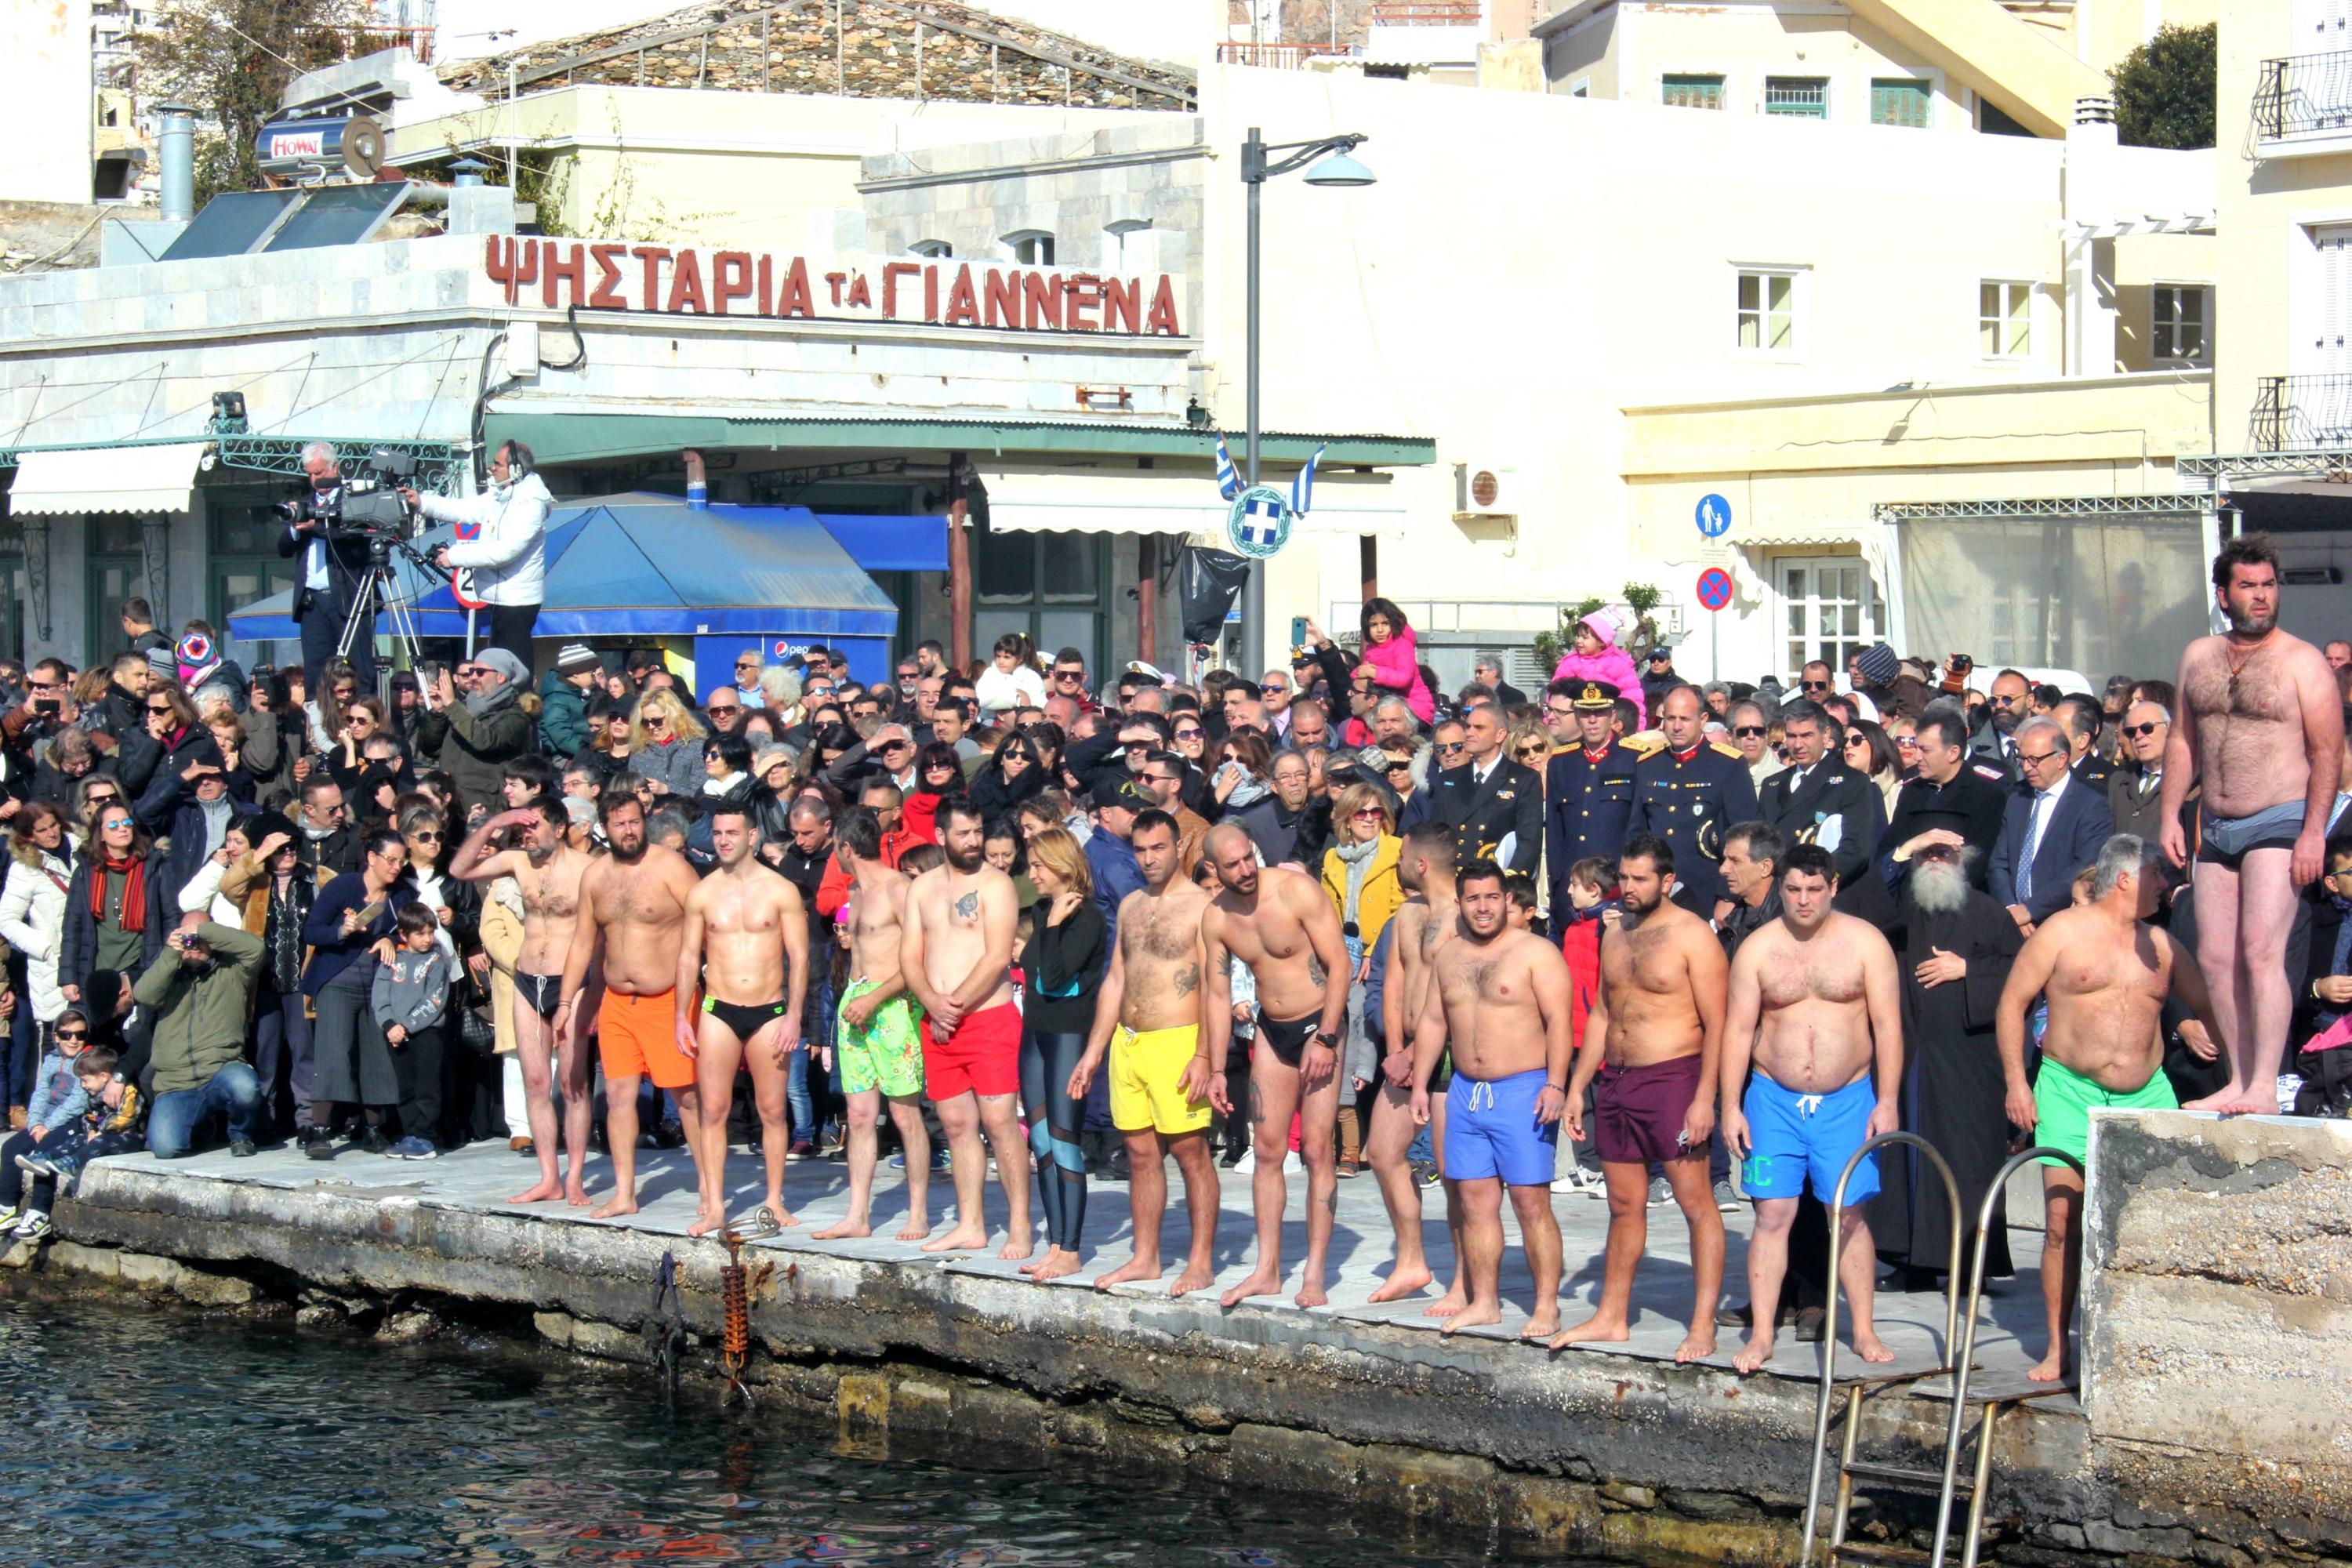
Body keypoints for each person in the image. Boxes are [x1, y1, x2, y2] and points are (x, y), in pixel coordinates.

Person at [1999, 834, 2222, 1382]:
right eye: (2157, 875)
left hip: (2145, 1092)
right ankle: (2058, 1347)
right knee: (2061, 1221)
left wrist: (2230, 1063)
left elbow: (2213, 1005)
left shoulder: (2163, 946)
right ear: (2125, 879)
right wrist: (2017, 1084)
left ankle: (2144, 1344)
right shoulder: (2061, 932)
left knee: (2151, 1225)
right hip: (2068, 1089)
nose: (2166, 885)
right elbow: (2012, 1003)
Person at [2162, 534, 2343, 1113]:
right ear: (2224, 594)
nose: (2262, 595)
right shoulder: (2199, 656)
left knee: (2262, 950)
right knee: (2216, 959)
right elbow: (2183, 739)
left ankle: (2266, 1081)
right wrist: (2170, 814)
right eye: (2249, 586)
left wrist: (2313, 831)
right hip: (2216, 823)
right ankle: (2238, 1080)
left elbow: (2327, 750)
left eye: (2268, 585)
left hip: (2280, 818)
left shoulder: (2301, 662)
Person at [1719, 844, 1903, 1375]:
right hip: (1772, 1098)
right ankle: (1762, 1333)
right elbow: (1738, 1031)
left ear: (1834, 887)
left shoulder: (1866, 943)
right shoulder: (1758, 948)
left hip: (1847, 1099)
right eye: (1794, 890)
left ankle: (1863, 1329)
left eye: (1815, 890)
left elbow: (1888, 1026)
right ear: (1780, 889)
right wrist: (1730, 1106)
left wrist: (1888, 1101)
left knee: (1847, 1214)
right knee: (1771, 1214)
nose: (1804, 900)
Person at [1555, 836, 1726, 1360]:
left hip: (1674, 1078)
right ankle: (1612, 1316)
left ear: (1667, 881)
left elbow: (1720, 1024)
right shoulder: (1615, 933)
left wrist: (1705, 1098)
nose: (1627, 888)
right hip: (1617, 1080)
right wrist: (1578, 1087)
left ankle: (1703, 1324)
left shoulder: (1693, 936)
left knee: (1695, 1202)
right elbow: (1603, 1014)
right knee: (1623, 1204)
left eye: (1639, 879)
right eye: (1624, 878)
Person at [1406, 858, 1573, 1336]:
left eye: (1492, 898)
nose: (1483, 907)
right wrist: (1420, 1085)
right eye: (1474, 898)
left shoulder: (1536, 952)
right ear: (1460, 903)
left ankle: (1546, 1306)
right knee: (1474, 1202)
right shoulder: (1449, 956)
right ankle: (1484, 1301)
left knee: (1530, 1202)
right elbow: (1433, 1022)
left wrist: (1556, 1084)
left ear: (1507, 900)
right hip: (1465, 1092)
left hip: (1523, 1090)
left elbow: (1560, 1021)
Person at [1069, 809, 1223, 1295]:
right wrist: (1094, 1050)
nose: (1149, 858)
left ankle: (1200, 1261)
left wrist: (1204, 1056)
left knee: (1190, 1152)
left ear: (1178, 847)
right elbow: (1117, 979)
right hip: (1129, 1042)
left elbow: (1213, 988)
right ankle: (1146, 1257)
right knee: (1138, 1154)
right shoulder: (1132, 905)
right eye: (1140, 849)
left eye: (1158, 848)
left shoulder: (1203, 906)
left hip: (1178, 1041)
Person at [1202, 822, 1352, 1308]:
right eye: (1233, 865)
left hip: (1320, 1021)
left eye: (1248, 857)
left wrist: (1326, 1037)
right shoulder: (1217, 918)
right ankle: (1267, 1269)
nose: (1246, 870)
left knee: (1317, 1149)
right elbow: (1217, 994)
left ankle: (1314, 1272)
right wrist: (1217, 1067)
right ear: (1213, 869)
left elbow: (1340, 964)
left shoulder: (1295, 891)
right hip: (1271, 1028)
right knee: (1267, 1151)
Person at [1867, 837, 2024, 1287]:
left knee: (1968, 1163)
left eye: (1944, 853)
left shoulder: (1990, 913)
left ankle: (1970, 1267)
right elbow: (1860, 910)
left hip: (1971, 1063)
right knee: (1909, 1158)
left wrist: (1970, 971)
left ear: (1962, 860)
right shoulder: (1904, 911)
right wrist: (1901, 851)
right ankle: (1911, 1264)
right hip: (1914, 1057)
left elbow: (2023, 978)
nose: (1935, 861)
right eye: (1927, 854)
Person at [554, 792, 706, 1219]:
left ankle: (709, 1185)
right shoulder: (595, 876)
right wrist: (567, 1002)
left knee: (687, 1097)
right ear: (605, 827)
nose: (629, 831)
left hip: (669, 1000)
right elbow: (583, 943)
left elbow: (705, 923)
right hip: (618, 1002)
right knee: (619, 1097)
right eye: (620, 824)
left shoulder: (670, 867)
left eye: (635, 822)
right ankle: (625, 1193)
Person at [902, 796, 1029, 1258]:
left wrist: (950, 1008)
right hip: (937, 1022)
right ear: (941, 836)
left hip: (986, 1019)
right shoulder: (922, 888)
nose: (974, 841)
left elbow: (997, 957)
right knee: (957, 1125)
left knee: (1000, 1122)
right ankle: (970, 1223)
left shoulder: (996, 885)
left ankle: (1019, 1225)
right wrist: (931, 1004)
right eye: (964, 833)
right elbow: (909, 957)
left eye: (978, 831)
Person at [675, 799, 809, 1237]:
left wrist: (795, 1016)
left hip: (769, 1010)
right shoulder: (703, 892)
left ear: (752, 836)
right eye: (717, 833)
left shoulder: (780, 890)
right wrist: (681, 1016)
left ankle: (774, 1199)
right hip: (719, 1009)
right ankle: (715, 1205)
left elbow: (800, 957)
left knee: (772, 1109)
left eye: (732, 833)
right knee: (713, 1110)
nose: (723, 841)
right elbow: (687, 957)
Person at [452, 797, 595, 1204]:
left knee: (572, 1083)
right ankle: (549, 1178)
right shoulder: (517, 862)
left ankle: (576, 1177)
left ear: (560, 829)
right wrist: (493, 823)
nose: (527, 834)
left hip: (572, 983)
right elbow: (459, 869)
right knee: (535, 1082)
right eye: (524, 828)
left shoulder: (587, 869)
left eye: (535, 826)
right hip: (528, 980)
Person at [1011, 826, 1105, 1282]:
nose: (1032, 874)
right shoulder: (1042, 909)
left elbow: (1052, 977)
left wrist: (1049, 929)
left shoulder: (1088, 919)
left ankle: (1072, 1248)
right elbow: (1031, 973)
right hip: (1035, 1034)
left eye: (1038, 866)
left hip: (1069, 1034)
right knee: (1042, 1140)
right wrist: (1046, 923)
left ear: (1061, 865)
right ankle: (1055, 1243)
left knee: (1065, 1139)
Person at [300, 830, 410, 1157]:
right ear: (372, 858)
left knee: (376, 1055)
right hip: (338, 978)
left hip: (377, 984)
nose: (396, 867)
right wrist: (342, 931)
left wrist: (391, 938)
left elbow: (406, 929)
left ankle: (373, 1129)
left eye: (402, 861)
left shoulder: (400, 894)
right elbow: (312, 931)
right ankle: (319, 1129)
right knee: (333, 1052)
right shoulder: (342, 887)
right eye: (390, 860)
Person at [1320, 785, 1404, 1177]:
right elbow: (1325, 910)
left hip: (1383, 955)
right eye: (1361, 813)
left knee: (1374, 1033)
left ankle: (1377, 1140)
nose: (1370, 818)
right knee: (1348, 1038)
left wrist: (1373, 951)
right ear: (1346, 819)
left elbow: (1401, 907)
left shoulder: (1396, 851)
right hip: (1342, 958)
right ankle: (1346, 1141)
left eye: (1376, 812)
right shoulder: (1332, 858)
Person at [407, 439, 552, 661]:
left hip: (517, 601)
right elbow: (464, 509)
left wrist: (454, 556)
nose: (492, 468)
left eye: (497, 464)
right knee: (499, 662)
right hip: (501, 597)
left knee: (513, 662)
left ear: (515, 470)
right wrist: (421, 503)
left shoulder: (532, 504)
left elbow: (505, 552)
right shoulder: (501, 495)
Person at [1627, 685, 1759, 916]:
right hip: (1656, 893)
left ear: (1703, 719)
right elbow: (1637, 833)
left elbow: (1743, 837)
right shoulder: (1648, 765)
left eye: (1685, 719)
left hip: (1706, 891)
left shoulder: (1728, 765)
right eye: (1671, 718)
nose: (1677, 726)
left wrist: (1728, 896)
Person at [1990, 716, 2114, 935]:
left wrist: (2031, 909)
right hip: (2013, 922)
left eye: (2034, 760)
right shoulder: (2018, 797)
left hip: (2063, 923)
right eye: (2022, 758)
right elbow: (1999, 861)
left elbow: (2084, 868)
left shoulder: (2090, 803)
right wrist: (2011, 909)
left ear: (2061, 759)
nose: (2026, 767)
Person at [278, 442, 379, 692]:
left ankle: (361, 713)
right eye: (310, 474)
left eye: (319, 473)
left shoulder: (355, 500)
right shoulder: (305, 503)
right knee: (316, 671)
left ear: (335, 467)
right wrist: (295, 526)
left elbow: (353, 535)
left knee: (357, 668)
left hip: (348, 596)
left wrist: (317, 526)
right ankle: (319, 715)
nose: (315, 480)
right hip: (312, 601)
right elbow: (283, 549)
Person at [1880, 704, 2012, 894]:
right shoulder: (1912, 791)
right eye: (1917, 748)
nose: (1917, 757)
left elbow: (1979, 865)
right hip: (1907, 897)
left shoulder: (1986, 796)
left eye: (1925, 750)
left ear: (1953, 753)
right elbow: (1888, 847)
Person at [1757, 699, 1885, 887]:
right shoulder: (1772, 785)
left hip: (1820, 890)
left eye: (1806, 735)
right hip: (1776, 889)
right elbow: (1759, 845)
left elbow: (1855, 850)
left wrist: (1812, 884)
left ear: (1825, 735)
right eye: (1792, 736)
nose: (1798, 744)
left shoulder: (1852, 782)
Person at [1544, 680, 1642, 912]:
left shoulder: (1635, 759)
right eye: (1585, 713)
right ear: (1577, 717)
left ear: (1612, 715)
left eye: (1599, 713)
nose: (1592, 720)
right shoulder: (1561, 762)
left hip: (1614, 885)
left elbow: (1637, 828)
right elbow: (1555, 833)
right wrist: (1558, 881)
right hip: (1571, 886)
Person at [368, 903, 455, 1159]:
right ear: (404, 934)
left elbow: (434, 1001)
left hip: (425, 1033)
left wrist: (405, 1026)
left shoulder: (436, 960)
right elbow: (379, 996)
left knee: (427, 1087)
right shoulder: (392, 959)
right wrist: (389, 1025)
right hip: (395, 1034)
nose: (427, 939)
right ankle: (410, 1135)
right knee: (405, 1087)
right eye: (420, 934)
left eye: (430, 933)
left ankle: (426, 1138)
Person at [1428, 702, 1542, 876]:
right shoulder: (1449, 779)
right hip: (1454, 878)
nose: (1469, 733)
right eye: (1468, 726)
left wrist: (1512, 880)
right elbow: (1437, 836)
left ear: (1500, 734)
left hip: (1495, 878)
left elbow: (1529, 840)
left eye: (1479, 728)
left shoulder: (1523, 779)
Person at [414, 651, 535, 815]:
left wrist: (451, 706)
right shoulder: (462, 709)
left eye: (480, 672)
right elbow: (431, 748)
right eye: (471, 672)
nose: (473, 677)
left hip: (484, 803)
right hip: (451, 802)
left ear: (501, 677)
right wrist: (438, 714)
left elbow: (487, 741)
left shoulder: (515, 715)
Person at [1549, 610, 1646, 728]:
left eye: (1585, 637)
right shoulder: (1569, 663)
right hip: (1571, 726)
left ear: (1601, 641)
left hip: (1608, 726)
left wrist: (1634, 728)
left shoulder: (1619, 664)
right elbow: (1553, 698)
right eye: (1578, 636)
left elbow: (1633, 701)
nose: (1579, 641)